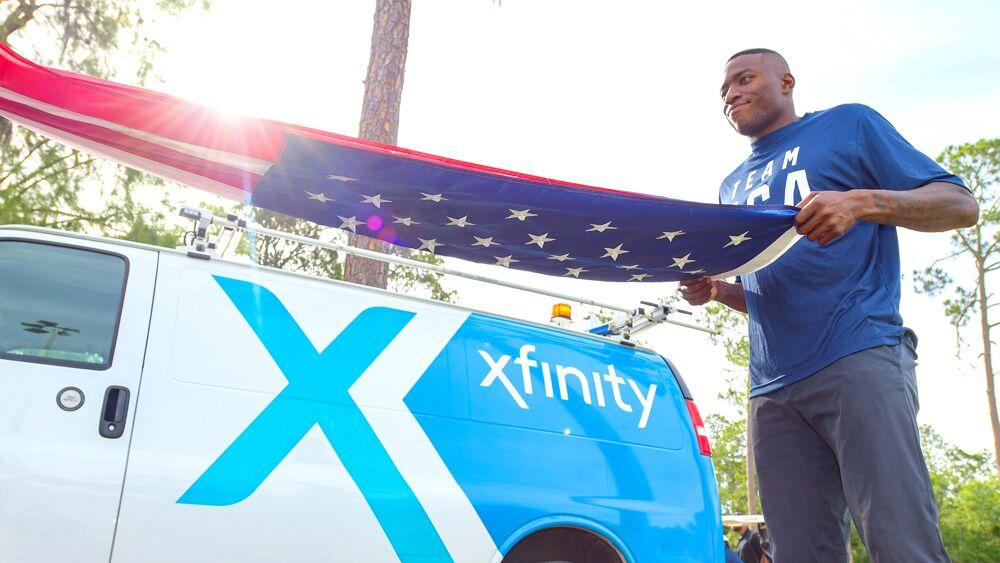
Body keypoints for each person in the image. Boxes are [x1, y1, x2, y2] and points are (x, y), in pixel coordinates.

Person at [679, 48, 978, 562]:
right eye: (723, 91)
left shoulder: (848, 125)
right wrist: (718, 289)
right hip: (772, 391)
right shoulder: (731, 186)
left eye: (744, 79)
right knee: (800, 552)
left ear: (787, 82)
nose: (731, 94)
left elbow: (961, 205)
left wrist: (860, 201)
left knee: (901, 540)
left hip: (858, 353)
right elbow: (770, 292)